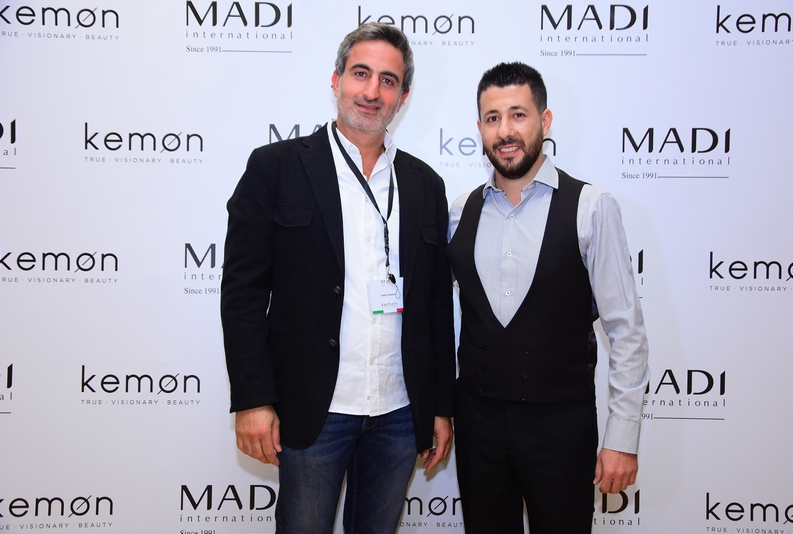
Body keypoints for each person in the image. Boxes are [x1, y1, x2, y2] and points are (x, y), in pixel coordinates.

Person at [220, 22, 456, 534]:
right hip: (314, 408)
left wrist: (439, 407)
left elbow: (436, 306)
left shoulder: (425, 185)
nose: (372, 91)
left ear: (403, 97)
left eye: (388, 81)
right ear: (336, 81)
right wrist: (253, 399)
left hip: (399, 411)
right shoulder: (275, 167)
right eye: (361, 74)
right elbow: (242, 294)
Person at [446, 62, 650, 533]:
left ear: (545, 120)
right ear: (480, 128)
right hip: (477, 428)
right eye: (493, 118)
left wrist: (622, 438)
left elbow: (626, 331)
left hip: (562, 429)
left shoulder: (592, 208)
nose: (505, 131)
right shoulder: (460, 211)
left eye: (518, 115)